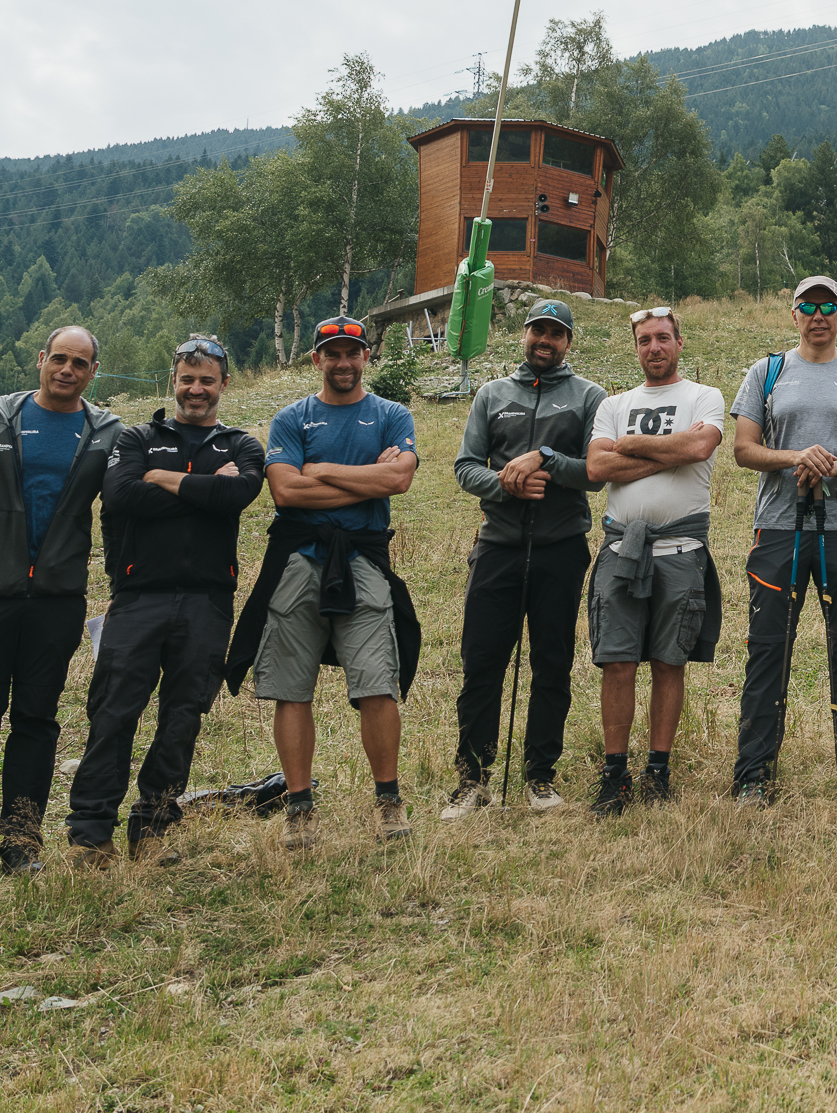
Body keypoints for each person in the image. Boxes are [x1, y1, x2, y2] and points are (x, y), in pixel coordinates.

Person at [0, 326, 121, 886]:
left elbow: (122, 511)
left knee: (36, 722)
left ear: (93, 372)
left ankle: (21, 844)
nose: (67, 370)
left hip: (57, 602)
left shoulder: (105, 433)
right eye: (59, 358)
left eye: (79, 363)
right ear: (41, 359)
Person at [222, 317, 423, 847]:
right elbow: (286, 493)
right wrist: (366, 481)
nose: (343, 362)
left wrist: (317, 469)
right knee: (292, 688)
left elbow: (399, 478)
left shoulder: (391, 414)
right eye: (332, 354)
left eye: (353, 353)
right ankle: (299, 808)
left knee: (377, 682)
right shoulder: (292, 418)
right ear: (316, 360)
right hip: (298, 562)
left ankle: (389, 803)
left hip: (364, 562)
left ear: (366, 358)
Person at [67, 335, 266, 865]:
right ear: (173, 381)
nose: (196, 389)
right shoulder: (136, 438)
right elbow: (122, 496)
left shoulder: (243, 446)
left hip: (208, 601)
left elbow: (237, 494)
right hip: (138, 598)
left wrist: (164, 480)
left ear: (224, 384)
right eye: (187, 379)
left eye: (207, 381)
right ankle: (91, 833)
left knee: (183, 717)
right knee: (113, 712)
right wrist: (203, 488)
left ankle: (152, 828)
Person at [727, 275, 837, 802]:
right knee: (768, 650)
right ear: (793, 314)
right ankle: (753, 776)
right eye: (808, 306)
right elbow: (744, 449)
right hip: (779, 527)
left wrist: (836, 465)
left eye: (828, 306)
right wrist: (797, 456)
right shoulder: (767, 371)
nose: (818, 315)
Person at [442, 299, 604, 818]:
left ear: (568, 342)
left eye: (556, 333)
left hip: (562, 548)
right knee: (481, 662)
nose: (545, 341)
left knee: (551, 663)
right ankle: (473, 779)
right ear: (524, 333)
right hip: (497, 547)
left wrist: (549, 464)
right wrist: (505, 483)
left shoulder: (589, 397)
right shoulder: (492, 395)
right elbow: (466, 466)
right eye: (538, 330)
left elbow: (596, 472)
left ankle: (540, 776)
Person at [581, 307, 725, 814]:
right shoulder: (613, 403)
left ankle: (658, 770)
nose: (654, 347)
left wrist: (632, 445)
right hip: (621, 551)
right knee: (617, 661)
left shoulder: (703, 396)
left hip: (681, 552)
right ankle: (614, 773)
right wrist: (669, 451)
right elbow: (597, 466)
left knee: (669, 661)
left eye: (663, 337)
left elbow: (701, 445)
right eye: (645, 340)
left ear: (679, 343)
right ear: (636, 347)